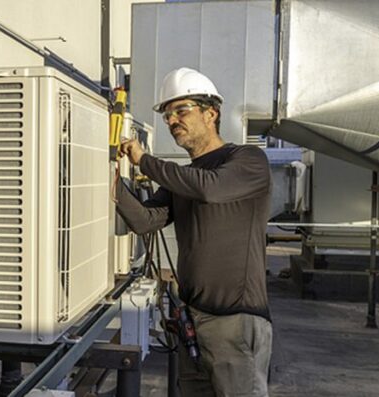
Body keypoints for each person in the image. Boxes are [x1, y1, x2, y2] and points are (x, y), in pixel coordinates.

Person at [115, 67, 272, 396]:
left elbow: (210, 190)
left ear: (211, 113)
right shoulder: (184, 178)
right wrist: (110, 181)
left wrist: (145, 160)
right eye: (168, 115)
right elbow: (145, 221)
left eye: (181, 110)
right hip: (191, 321)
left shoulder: (247, 160)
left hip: (236, 323)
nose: (173, 121)